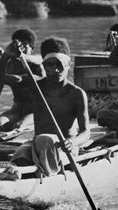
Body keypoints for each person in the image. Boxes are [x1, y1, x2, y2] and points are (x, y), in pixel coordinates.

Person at [10, 37, 90, 177]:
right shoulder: (36, 87)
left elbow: (86, 133)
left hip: (65, 148)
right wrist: (6, 55)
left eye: (60, 65)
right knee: (20, 156)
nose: (56, 69)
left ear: (68, 65)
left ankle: (49, 176)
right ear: (44, 66)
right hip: (38, 144)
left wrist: (73, 142)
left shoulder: (77, 94)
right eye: (50, 65)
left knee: (45, 139)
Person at [0, 29, 44, 132]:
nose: (21, 50)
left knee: (18, 126)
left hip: (36, 111)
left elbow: (37, 59)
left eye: (24, 46)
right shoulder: (9, 66)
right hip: (17, 110)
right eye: (18, 46)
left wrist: (19, 55)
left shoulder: (38, 62)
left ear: (32, 48)